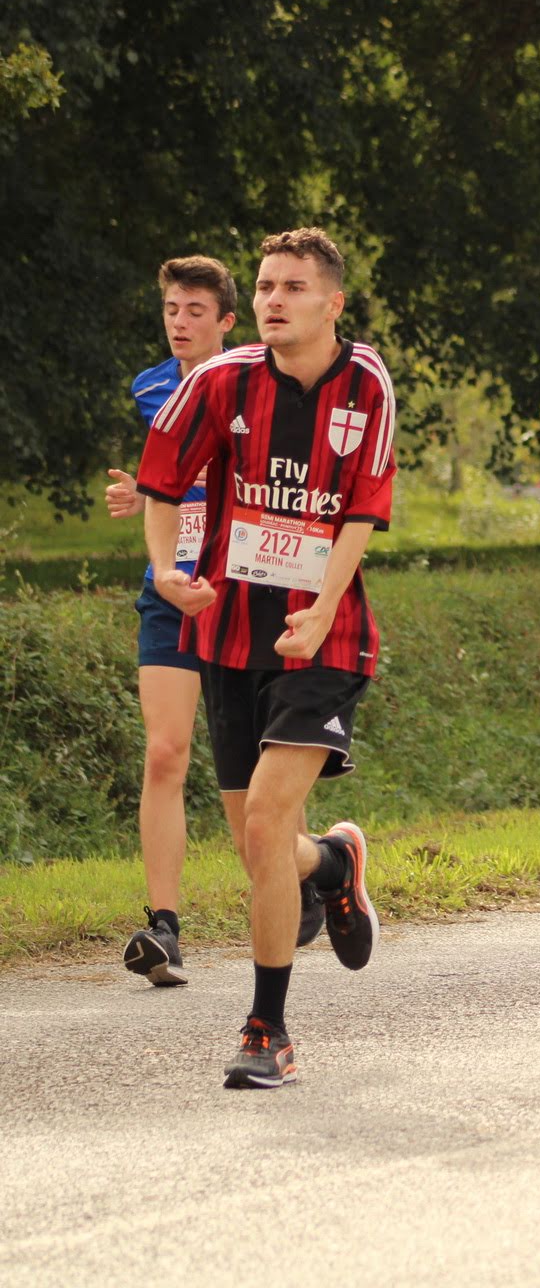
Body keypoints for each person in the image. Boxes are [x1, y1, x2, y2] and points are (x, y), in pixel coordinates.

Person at [134, 227, 393, 1087]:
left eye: (293, 287)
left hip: (325, 637)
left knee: (264, 822)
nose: (273, 300)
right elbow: (161, 482)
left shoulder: (366, 382)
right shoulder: (220, 381)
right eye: (265, 286)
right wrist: (168, 572)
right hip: (230, 634)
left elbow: (361, 510)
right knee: (263, 848)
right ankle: (334, 864)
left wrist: (320, 610)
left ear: (333, 302)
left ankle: (267, 1030)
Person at [106, 256, 333, 986]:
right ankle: (164, 928)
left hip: (245, 591)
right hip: (171, 591)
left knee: (266, 764)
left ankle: (310, 873)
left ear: (226, 321)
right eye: (171, 309)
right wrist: (142, 498)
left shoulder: (259, 379)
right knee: (164, 752)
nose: (180, 322)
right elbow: (167, 477)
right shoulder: (149, 388)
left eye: (195, 311)